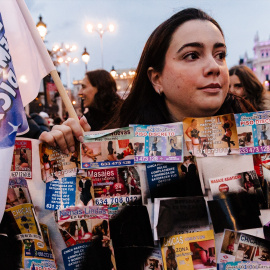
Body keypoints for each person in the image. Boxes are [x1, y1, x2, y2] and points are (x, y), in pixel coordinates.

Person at [40, 7, 256, 270]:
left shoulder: (258, 149)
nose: (214, 67)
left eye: (220, 55)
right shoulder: (121, 156)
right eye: (192, 55)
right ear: (156, 79)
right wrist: (66, 154)